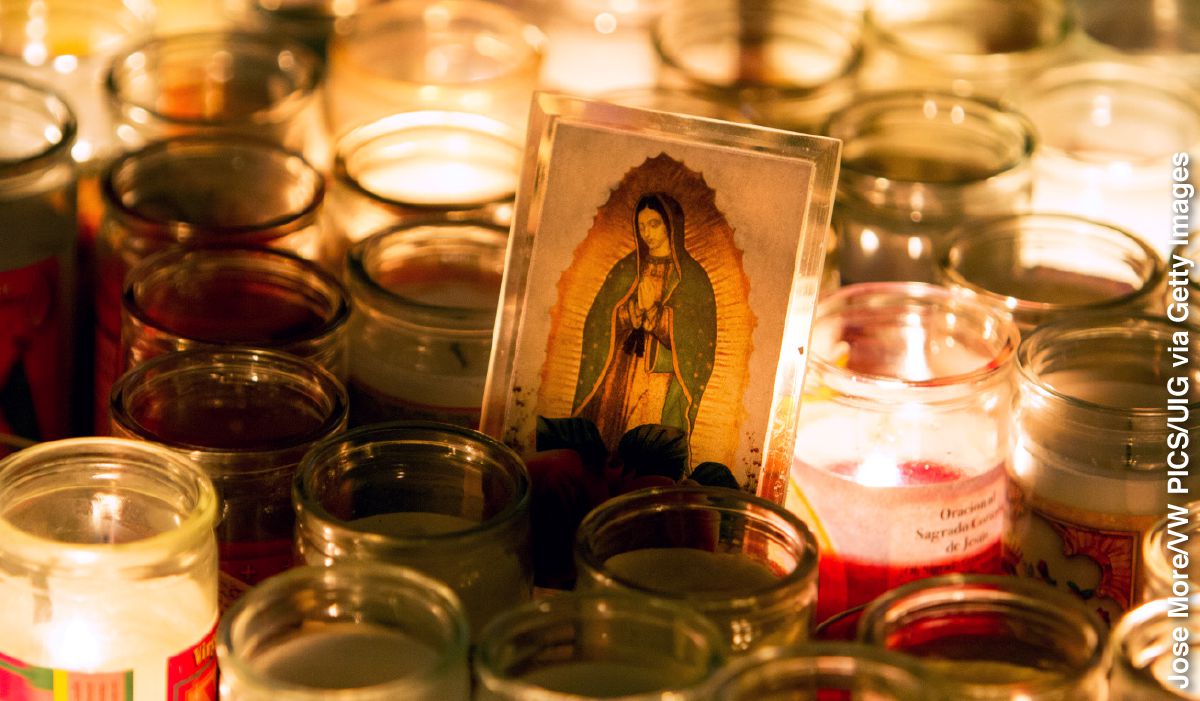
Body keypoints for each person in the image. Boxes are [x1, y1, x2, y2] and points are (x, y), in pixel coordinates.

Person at [572, 192, 717, 452]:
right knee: (611, 434)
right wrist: (629, 312)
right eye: (641, 226)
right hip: (621, 371)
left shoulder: (692, 278)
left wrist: (656, 314)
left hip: (659, 377)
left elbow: (697, 339)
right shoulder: (627, 268)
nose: (646, 233)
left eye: (654, 224)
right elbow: (598, 318)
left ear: (670, 225)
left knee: (646, 443)